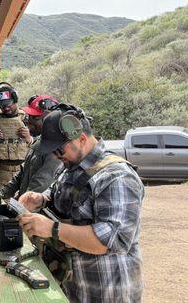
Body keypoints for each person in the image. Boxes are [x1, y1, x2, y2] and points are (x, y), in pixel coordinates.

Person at [18, 104, 144, 303]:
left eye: (59, 150)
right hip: (73, 286)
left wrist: (52, 228)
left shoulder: (116, 176)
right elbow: (63, 195)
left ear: (82, 139)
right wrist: (41, 198)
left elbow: (111, 240)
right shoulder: (71, 166)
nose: (56, 156)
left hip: (105, 292)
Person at [0, 94, 62, 199]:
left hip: (34, 210)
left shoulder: (55, 149)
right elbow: (23, 172)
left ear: (49, 119)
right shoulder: (38, 141)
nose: (29, 121)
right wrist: (2, 193)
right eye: (29, 117)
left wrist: (20, 204)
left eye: (35, 118)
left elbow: (40, 184)